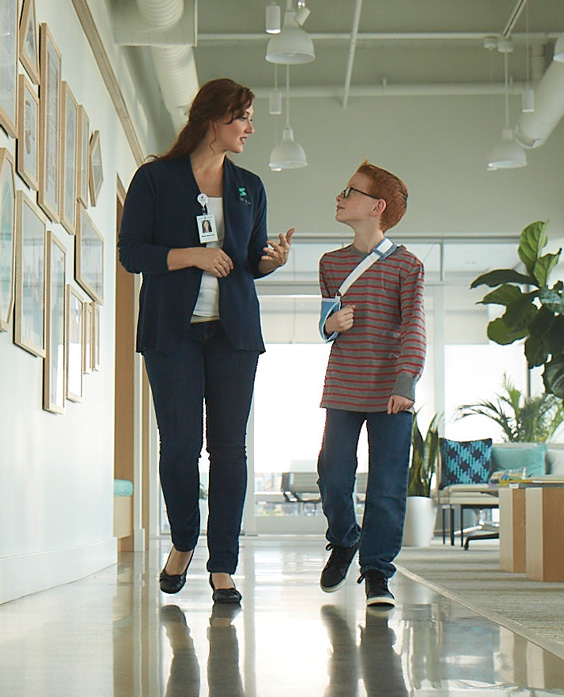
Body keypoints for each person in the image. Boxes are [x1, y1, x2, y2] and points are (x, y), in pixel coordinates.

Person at [118, 78, 294, 604]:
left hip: (234, 333)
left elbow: (247, 263)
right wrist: (191, 255)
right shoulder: (155, 179)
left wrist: (270, 261)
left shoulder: (250, 186)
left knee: (229, 450)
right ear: (213, 119)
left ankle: (223, 565)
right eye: (242, 117)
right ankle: (182, 542)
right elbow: (132, 253)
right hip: (171, 331)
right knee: (179, 449)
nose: (250, 127)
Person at [316, 161, 426, 607]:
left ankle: (377, 572)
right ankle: (345, 538)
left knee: (386, 485)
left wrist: (406, 382)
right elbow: (326, 324)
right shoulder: (331, 263)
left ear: (377, 207)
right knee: (332, 474)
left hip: (391, 393)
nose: (340, 196)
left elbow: (414, 325)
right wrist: (330, 323)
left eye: (351, 191)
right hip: (343, 383)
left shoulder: (407, 265)